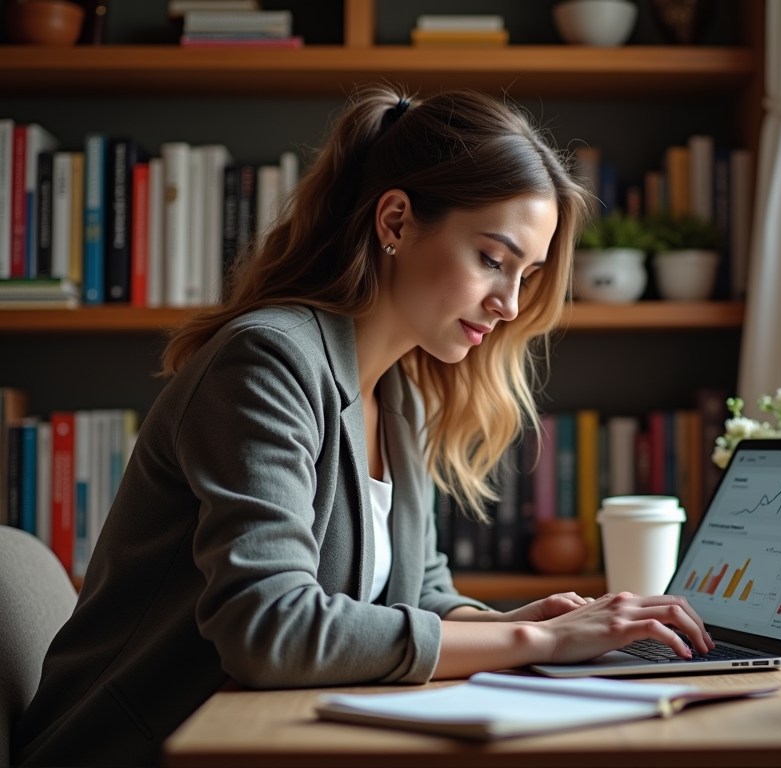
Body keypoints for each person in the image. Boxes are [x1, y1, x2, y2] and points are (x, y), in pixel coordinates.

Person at [12, 87, 713, 767]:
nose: (508, 304)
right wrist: (535, 641)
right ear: (397, 222)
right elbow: (268, 627)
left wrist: (541, 626)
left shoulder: (398, 393)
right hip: (140, 749)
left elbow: (423, 598)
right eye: (493, 260)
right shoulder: (267, 361)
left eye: (525, 275)